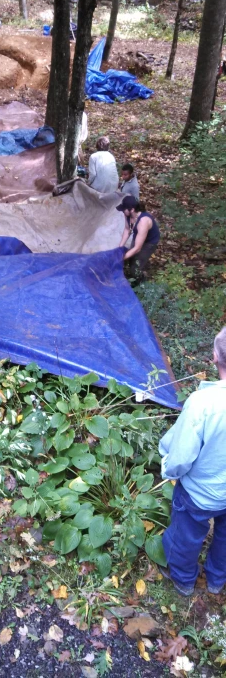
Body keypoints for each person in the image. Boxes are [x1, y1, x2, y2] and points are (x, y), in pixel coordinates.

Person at [159, 327, 226, 597]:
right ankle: (217, 580)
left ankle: (184, 580)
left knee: (184, 538)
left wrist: (167, 468)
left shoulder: (203, 403)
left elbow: (181, 455)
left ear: (213, 357)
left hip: (198, 494)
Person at [117, 195, 160, 283]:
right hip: (138, 236)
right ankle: (131, 272)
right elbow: (127, 229)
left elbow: (137, 248)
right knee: (130, 258)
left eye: (124, 209)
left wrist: (120, 258)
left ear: (132, 209)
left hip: (149, 242)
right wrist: (120, 248)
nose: (122, 211)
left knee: (135, 267)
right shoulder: (128, 215)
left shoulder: (143, 222)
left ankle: (141, 281)